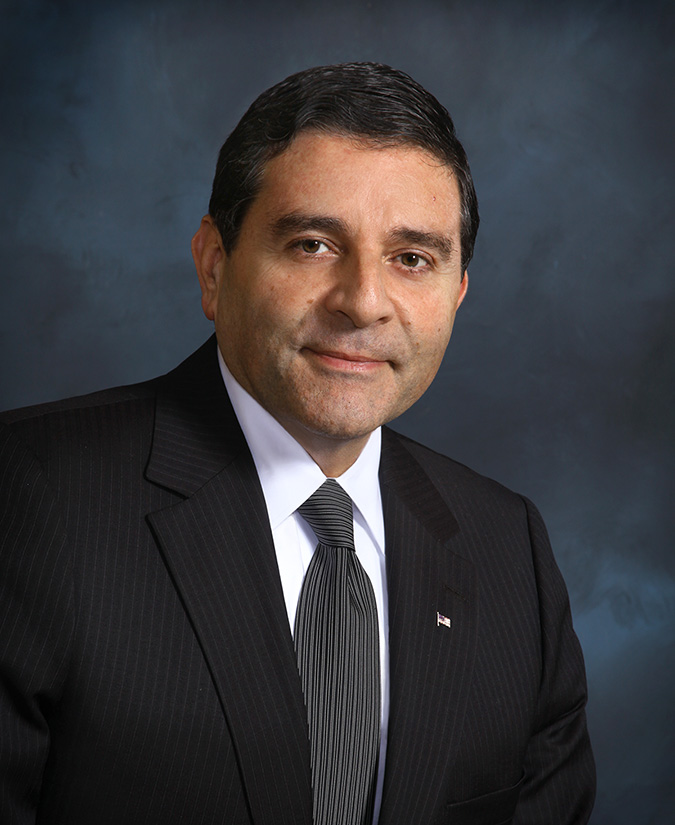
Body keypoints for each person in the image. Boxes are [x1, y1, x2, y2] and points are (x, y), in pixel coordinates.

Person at [0, 62, 595, 824]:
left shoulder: (509, 550)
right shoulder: (30, 497)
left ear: (455, 295)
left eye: (411, 259)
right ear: (214, 265)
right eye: (313, 244)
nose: (363, 302)